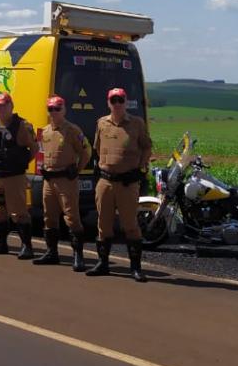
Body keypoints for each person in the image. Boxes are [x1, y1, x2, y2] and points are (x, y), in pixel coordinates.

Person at [89, 88, 153, 282]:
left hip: (127, 183)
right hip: (106, 181)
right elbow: (97, 149)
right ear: (108, 103)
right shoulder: (101, 123)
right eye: (113, 100)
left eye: (120, 100)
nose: (117, 104)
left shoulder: (136, 124)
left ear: (125, 102)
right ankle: (103, 264)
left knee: (130, 225)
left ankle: (135, 268)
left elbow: (147, 146)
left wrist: (141, 167)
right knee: (103, 224)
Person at [33, 95, 91, 270]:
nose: (54, 112)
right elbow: (40, 152)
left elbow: (86, 151)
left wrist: (78, 169)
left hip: (66, 180)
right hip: (49, 181)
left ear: (64, 110)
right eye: (50, 109)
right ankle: (52, 253)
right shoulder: (44, 132)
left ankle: (78, 256)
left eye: (57, 108)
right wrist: (40, 167)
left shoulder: (72, 130)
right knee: (49, 217)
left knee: (71, 217)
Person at [0, 93, 37, 259]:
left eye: (4, 105)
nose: (1, 108)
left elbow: (34, 148)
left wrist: (21, 162)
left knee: (19, 212)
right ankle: (1, 243)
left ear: (11, 106)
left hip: (15, 176)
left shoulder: (22, 125)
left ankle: (27, 246)